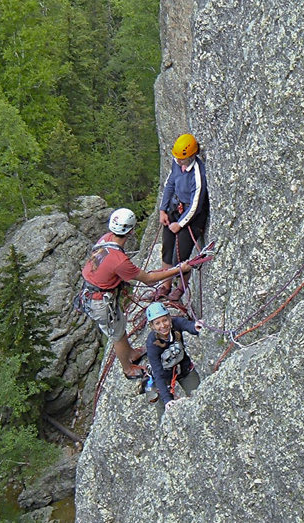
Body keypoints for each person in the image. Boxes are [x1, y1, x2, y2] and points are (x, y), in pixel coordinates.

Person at [79, 208, 192, 379]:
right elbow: (149, 279)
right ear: (131, 231)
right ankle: (128, 369)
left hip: (95, 294)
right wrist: (178, 269)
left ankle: (131, 353)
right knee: (116, 335)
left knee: (120, 327)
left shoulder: (105, 240)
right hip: (100, 302)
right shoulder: (119, 260)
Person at [158, 133, 210, 301]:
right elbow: (170, 184)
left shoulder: (197, 174)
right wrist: (163, 209)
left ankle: (181, 287)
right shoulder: (176, 162)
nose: (178, 161)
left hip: (191, 217)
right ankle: (165, 285)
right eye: (177, 158)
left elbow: (196, 204)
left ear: (191, 156)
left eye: (182, 159)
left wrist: (180, 224)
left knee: (180, 256)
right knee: (167, 247)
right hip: (176, 208)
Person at [143, 302, 202, 418]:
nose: (163, 325)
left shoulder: (176, 324)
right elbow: (158, 373)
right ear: (152, 326)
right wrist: (167, 399)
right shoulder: (152, 344)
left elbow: (187, 325)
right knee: (166, 409)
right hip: (164, 376)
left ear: (170, 318)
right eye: (157, 323)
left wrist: (196, 327)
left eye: (164, 320)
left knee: (200, 396)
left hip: (184, 368)